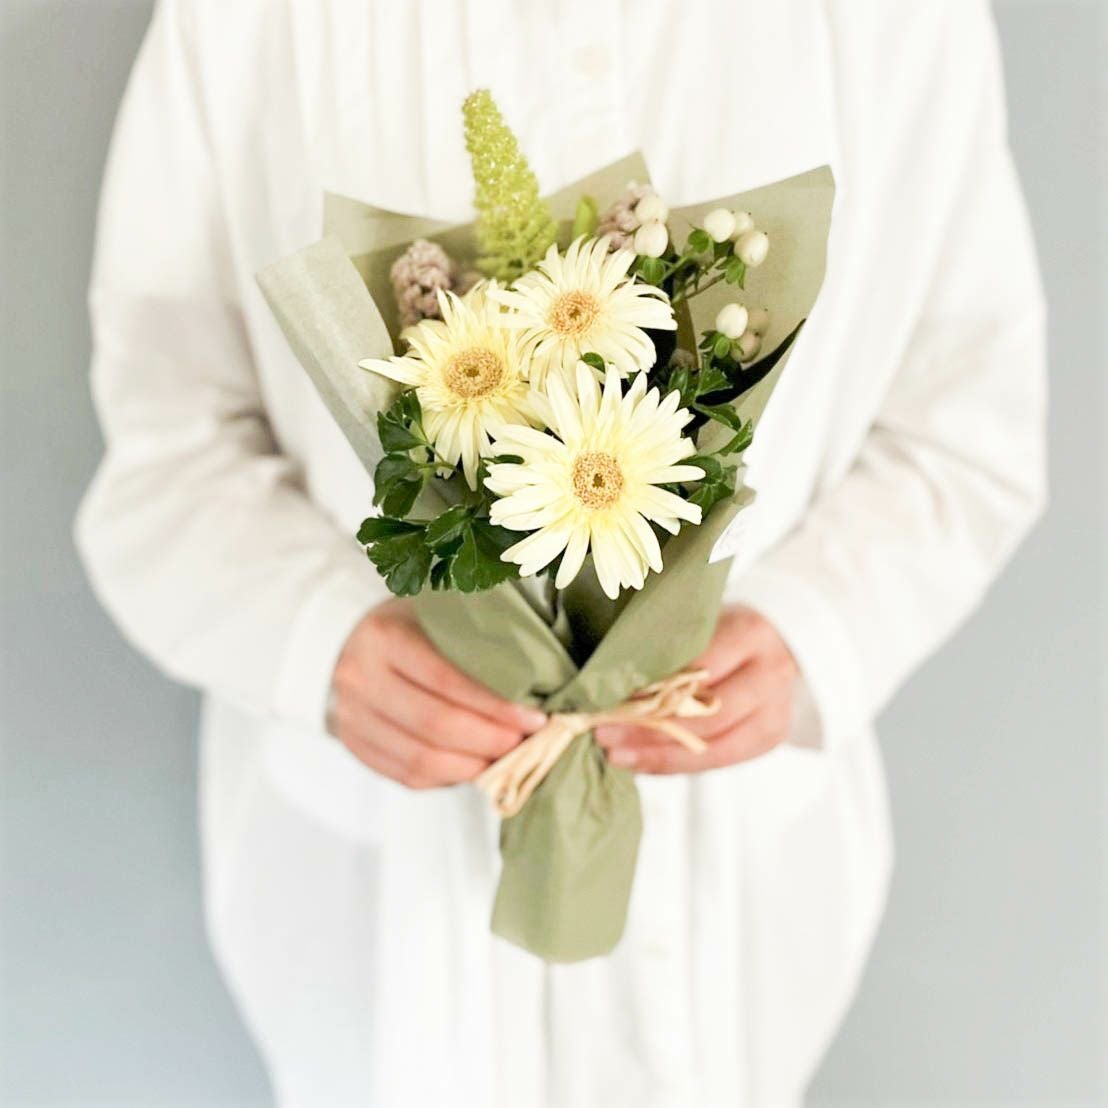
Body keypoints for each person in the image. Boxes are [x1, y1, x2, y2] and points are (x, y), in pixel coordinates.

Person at [76, 1, 1046, 1105]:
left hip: (737, 886)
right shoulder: (250, 22)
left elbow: (966, 426)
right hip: (380, 898)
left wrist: (814, 631)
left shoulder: (896, 24)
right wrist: (317, 642)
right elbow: (170, 446)